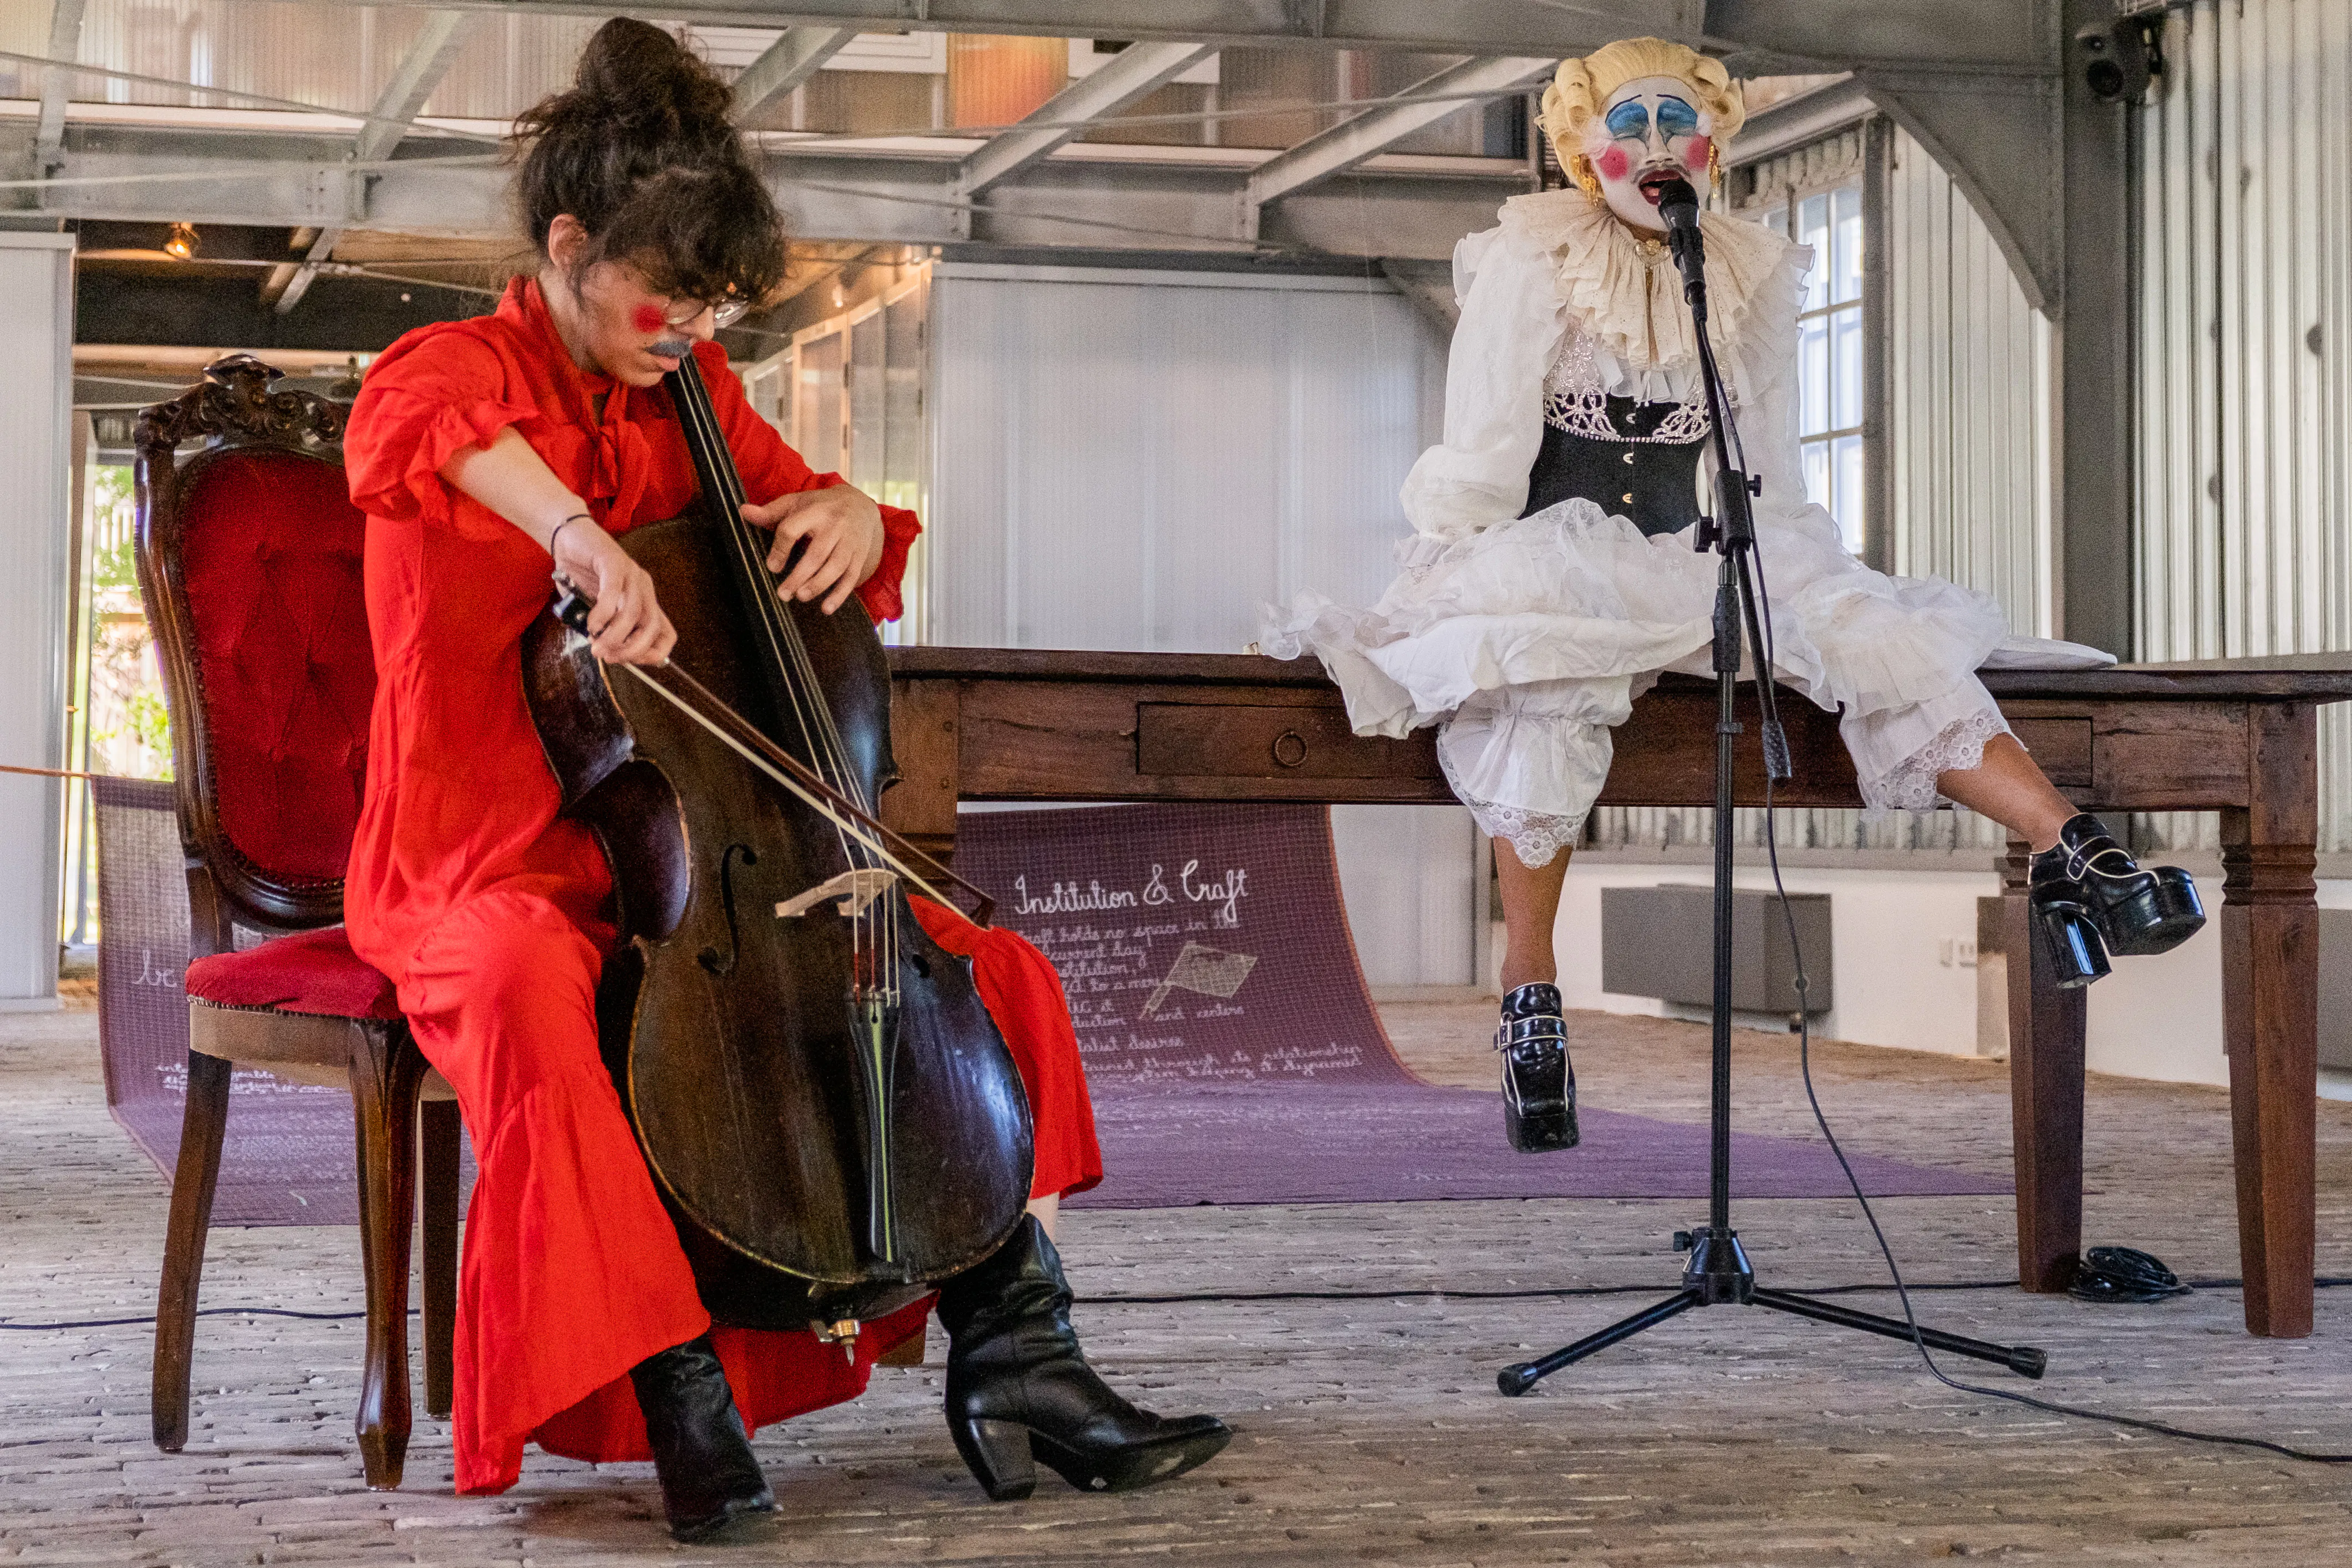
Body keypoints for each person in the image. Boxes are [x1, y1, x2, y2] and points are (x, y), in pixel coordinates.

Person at [342, 19, 1226, 1541]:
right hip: (481, 860)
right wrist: (573, 533)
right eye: (661, 290)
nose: (690, 323)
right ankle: (676, 1385)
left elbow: (826, 532)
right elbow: (414, 433)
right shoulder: (457, 371)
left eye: (713, 300)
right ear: (567, 245)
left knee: (984, 970)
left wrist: (849, 519)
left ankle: (1024, 1356)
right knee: (519, 995)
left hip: (701, 862)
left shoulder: (692, 401)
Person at [1265, 37, 2205, 1154]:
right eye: (1634, 125)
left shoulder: (1747, 271)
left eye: (1679, 124)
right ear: (1585, 148)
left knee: (1876, 641)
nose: (1658, 147)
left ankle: (2080, 852)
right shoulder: (1529, 261)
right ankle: (1531, 995)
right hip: (1550, 544)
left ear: (1714, 142)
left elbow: (1768, 469)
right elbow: (1484, 451)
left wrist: (1807, 579)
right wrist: (1451, 571)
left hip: (1697, 544)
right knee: (1544, 675)